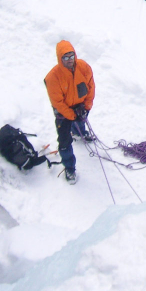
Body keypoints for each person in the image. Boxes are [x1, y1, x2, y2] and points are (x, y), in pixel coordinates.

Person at [44, 40, 95, 184]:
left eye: (71, 56)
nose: (69, 60)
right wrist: (72, 115)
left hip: (80, 104)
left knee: (80, 120)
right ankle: (69, 167)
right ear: (59, 58)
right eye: (65, 57)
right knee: (64, 142)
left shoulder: (83, 67)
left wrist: (87, 107)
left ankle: (79, 132)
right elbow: (57, 103)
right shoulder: (53, 77)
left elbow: (91, 87)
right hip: (63, 111)